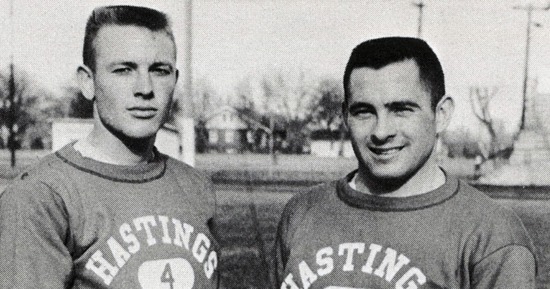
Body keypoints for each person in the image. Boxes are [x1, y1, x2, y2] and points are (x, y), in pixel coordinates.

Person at [272, 37, 536, 288]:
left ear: (441, 114)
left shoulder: (491, 236)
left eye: (401, 110)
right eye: (364, 112)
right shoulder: (302, 213)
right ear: (345, 116)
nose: (381, 131)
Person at [0, 6, 219, 288]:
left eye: (159, 70)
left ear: (174, 81)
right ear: (88, 82)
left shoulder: (196, 186)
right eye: (124, 70)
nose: (145, 88)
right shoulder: (40, 197)